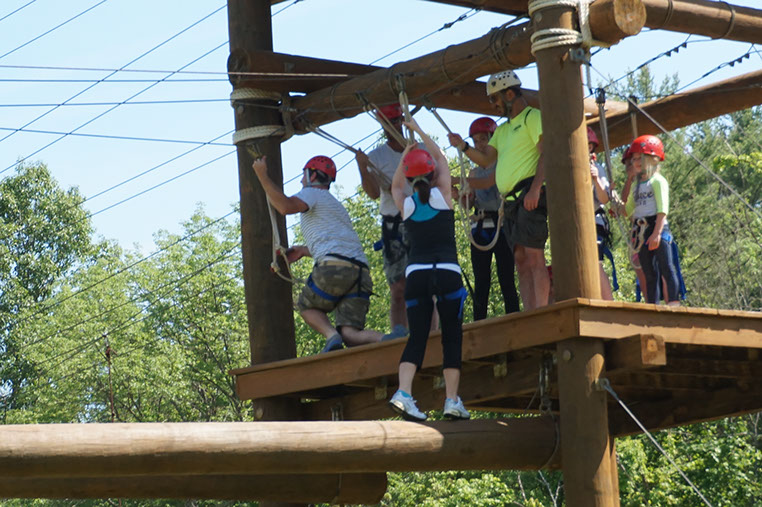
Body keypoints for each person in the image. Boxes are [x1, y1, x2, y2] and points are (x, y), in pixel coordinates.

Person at [251, 154, 385, 353]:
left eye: (303, 175)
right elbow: (339, 246)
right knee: (350, 333)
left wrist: (262, 175)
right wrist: (304, 250)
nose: (301, 181)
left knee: (307, 307)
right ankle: (389, 339)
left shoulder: (311, 193)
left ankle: (331, 336)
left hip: (334, 268)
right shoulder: (335, 206)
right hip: (361, 273)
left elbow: (285, 207)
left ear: (312, 176)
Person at [387, 118, 469, 422]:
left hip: (417, 274)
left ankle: (404, 393)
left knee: (417, 336)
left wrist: (405, 154)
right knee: (452, 337)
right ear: (432, 174)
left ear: (410, 178)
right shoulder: (442, 195)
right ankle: (452, 400)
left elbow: (396, 185)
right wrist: (420, 133)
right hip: (447, 271)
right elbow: (442, 160)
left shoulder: (407, 204)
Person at [448, 70, 549, 311]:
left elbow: (546, 153)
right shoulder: (502, 131)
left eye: (495, 98)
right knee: (520, 260)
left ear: (509, 94)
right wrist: (462, 146)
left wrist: (536, 189)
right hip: (512, 202)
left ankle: (542, 311)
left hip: (528, 193)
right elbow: (485, 161)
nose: (493, 104)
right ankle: (530, 313)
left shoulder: (532, 117)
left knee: (534, 256)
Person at [355, 104, 416, 338]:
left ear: (402, 121)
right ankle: (399, 333)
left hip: (419, 219)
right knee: (398, 286)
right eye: (388, 123)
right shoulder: (377, 157)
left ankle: (428, 332)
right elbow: (372, 192)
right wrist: (363, 168)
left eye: (396, 121)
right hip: (393, 224)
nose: (393, 126)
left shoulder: (418, 150)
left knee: (424, 282)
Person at [460, 117, 520, 319]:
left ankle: (514, 318)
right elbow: (468, 203)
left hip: (502, 223)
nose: (479, 145)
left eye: (483, 139)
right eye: (475, 141)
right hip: (482, 225)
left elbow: (488, 183)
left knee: (506, 277)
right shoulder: (474, 172)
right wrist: (462, 196)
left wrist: (458, 181)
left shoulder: (503, 165)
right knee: (481, 280)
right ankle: (479, 322)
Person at [624, 135, 680, 306]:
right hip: (642, 229)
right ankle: (653, 305)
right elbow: (628, 210)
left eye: (639, 158)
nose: (635, 162)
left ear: (651, 159)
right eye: (634, 159)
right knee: (649, 272)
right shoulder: (636, 186)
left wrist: (657, 233)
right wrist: (617, 204)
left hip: (657, 226)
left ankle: (673, 302)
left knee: (666, 267)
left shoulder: (658, 181)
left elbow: (662, 209)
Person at [587, 127, 614, 300]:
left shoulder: (597, 168)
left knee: (595, 263)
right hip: (576, 225)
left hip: (594, 220)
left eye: (588, 146)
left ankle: (608, 302)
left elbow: (604, 199)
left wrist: (596, 179)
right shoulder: (566, 170)